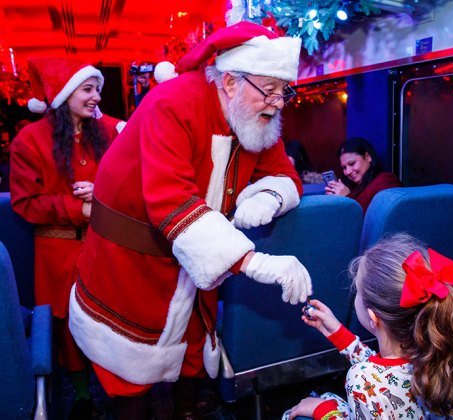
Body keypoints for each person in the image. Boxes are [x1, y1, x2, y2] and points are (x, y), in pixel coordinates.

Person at [67, 21, 313, 419]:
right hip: (133, 263)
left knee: (194, 351)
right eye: (270, 91)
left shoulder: (258, 118)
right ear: (231, 82)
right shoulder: (173, 103)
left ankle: (188, 410)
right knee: (130, 371)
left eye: (285, 91)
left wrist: (269, 196)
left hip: (198, 263)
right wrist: (254, 262)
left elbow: (284, 173)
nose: (279, 102)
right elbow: (171, 199)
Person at [9, 57, 124, 418]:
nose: (96, 97)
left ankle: (120, 387)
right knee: (68, 326)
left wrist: (103, 188)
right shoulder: (29, 140)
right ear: (64, 94)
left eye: (98, 90)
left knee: (111, 319)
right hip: (57, 251)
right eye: (88, 89)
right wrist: (80, 209)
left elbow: (133, 168)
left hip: (105, 245)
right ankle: (81, 395)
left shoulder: (104, 130)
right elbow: (26, 204)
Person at [285, 233, 453, 419]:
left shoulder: (362, 381)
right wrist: (338, 333)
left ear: (372, 317)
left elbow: (378, 380)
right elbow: (388, 375)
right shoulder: (446, 352)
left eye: (358, 293)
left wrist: (325, 411)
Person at [325, 137, 401, 212]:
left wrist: (347, 198)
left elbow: (381, 219)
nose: (348, 172)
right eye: (344, 167)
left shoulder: (386, 181)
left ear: (367, 157)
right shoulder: (351, 187)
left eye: (352, 164)